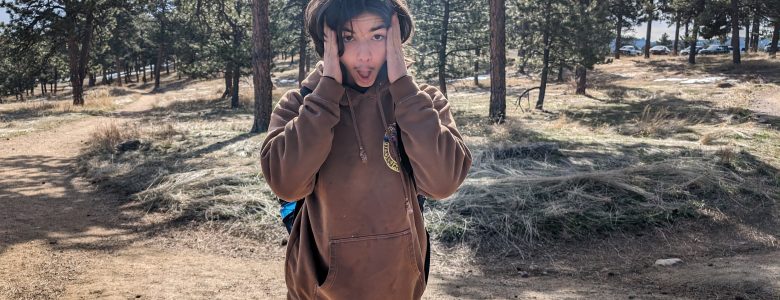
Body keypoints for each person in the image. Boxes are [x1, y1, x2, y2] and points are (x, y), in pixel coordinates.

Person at [260, 0, 472, 298]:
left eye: (377, 36)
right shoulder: (300, 105)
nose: (364, 55)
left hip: (399, 289)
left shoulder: (423, 102)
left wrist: (404, 89)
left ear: (396, 38)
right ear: (327, 41)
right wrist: (326, 94)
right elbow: (287, 183)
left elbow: (442, 183)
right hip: (320, 292)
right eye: (348, 37)